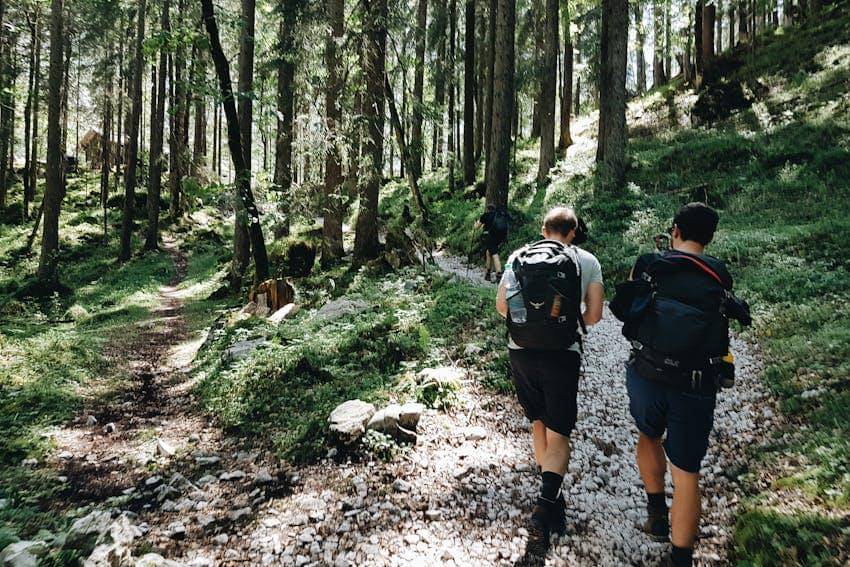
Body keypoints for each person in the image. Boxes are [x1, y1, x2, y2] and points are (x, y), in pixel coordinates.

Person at [620, 203, 746, 567]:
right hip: (696, 383)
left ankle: (656, 511)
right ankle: (680, 557)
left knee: (648, 435)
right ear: (709, 238)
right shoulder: (719, 276)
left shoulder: (650, 264)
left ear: (674, 230)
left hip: (648, 373)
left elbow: (628, 311)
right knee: (688, 472)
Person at [495, 206, 604, 556]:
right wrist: (568, 322)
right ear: (572, 231)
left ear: (544, 230)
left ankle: (552, 501)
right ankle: (544, 509)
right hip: (562, 354)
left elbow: (502, 307)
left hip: (521, 351)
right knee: (560, 434)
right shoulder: (586, 260)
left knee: (538, 422)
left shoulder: (517, 257)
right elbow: (596, 314)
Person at [476, 204, 510, 282]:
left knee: (494, 254)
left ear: (487, 209)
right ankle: (488, 273)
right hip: (501, 237)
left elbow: (477, 227)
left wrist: (476, 223)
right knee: (489, 252)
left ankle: (498, 274)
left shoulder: (486, 215)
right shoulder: (499, 215)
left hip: (491, 237)